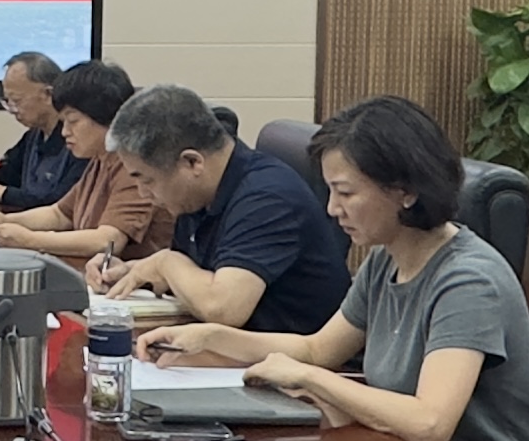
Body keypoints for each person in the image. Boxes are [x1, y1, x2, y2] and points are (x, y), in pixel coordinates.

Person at [145, 95, 529, 441]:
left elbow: (429, 423)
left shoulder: (468, 281)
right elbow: (317, 349)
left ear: (406, 191)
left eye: (346, 193)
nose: (332, 209)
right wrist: (212, 337)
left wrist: (310, 379)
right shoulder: (387, 258)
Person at [89, 83, 348, 334]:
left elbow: (224, 309)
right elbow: (194, 276)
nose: (144, 193)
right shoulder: (196, 195)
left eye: (147, 180)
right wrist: (133, 272)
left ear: (192, 162)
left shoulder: (268, 197)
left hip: (294, 356)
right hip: (234, 349)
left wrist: (166, 263)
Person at [0, 60, 163, 265]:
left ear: (106, 118)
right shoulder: (100, 159)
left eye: (73, 121)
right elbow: (59, 214)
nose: (65, 131)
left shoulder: (133, 166)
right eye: (63, 122)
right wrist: (4, 220)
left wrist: (30, 240)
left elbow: (108, 241)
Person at [0, 50, 78, 210]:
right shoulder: (34, 136)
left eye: (17, 101)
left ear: (48, 94)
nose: (12, 110)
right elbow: (3, 172)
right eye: (8, 101)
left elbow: (60, 205)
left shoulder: (78, 141)